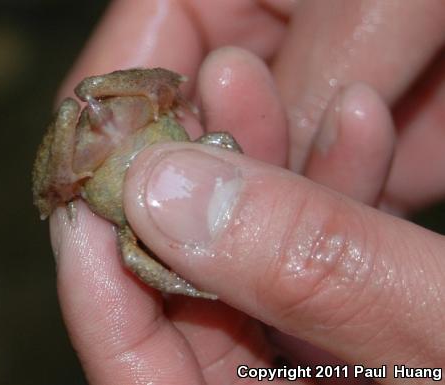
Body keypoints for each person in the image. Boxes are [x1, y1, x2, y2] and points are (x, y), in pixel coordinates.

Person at [49, 1, 445, 383]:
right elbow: (217, 141)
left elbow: (130, 252)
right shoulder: (129, 224)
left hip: (103, 156)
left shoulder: (126, 228)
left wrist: (227, 225)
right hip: (120, 141)